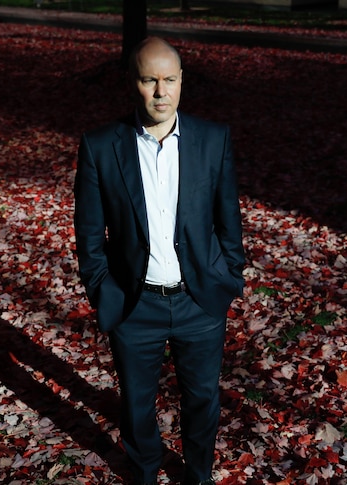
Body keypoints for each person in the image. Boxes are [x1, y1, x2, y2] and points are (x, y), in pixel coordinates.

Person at [73, 37, 246, 485]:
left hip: (199, 301)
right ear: (133, 82)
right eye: (150, 80)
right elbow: (89, 234)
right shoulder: (100, 146)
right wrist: (102, 289)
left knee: (203, 400)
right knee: (135, 403)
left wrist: (228, 276)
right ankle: (146, 471)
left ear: (182, 81)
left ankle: (198, 474)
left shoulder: (212, 139)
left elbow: (229, 219)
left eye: (169, 80)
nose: (160, 92)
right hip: (135, 304)